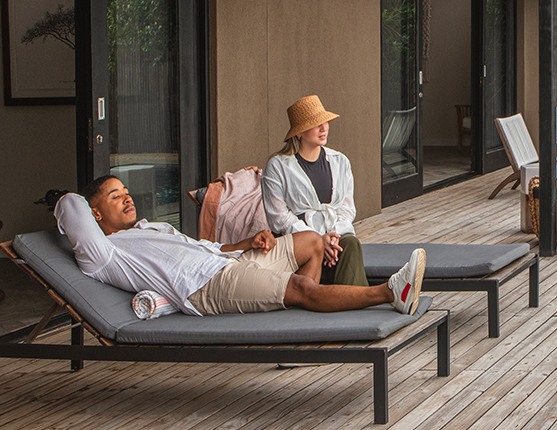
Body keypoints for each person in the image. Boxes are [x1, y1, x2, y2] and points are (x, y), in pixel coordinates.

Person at [55, 176, 424, 316]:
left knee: (311, 242)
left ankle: (301, 324)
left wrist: (246, 242)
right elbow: (69, 205)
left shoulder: (152, 227)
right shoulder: (103, 254)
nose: (127, 198)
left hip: (227, 262)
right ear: (94, 214)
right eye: (115, 196)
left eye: (126, 192)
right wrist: (70, 201)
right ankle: (391, 293)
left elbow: (204, 247)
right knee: (300, 287)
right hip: (205, 287)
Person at [263, 95, 366, 286]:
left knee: (350, 244)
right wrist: (318, 240)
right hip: (298, 242)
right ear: (299, 132)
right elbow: (278, 217)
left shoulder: (340, 161)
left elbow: (347, 208)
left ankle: (354, 304)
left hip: (333, 238)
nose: (324, 127)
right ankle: (364, 299)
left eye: (325, 121)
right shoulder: (278, 166)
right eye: (316, 123)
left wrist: (332, 238)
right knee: (336, 249)